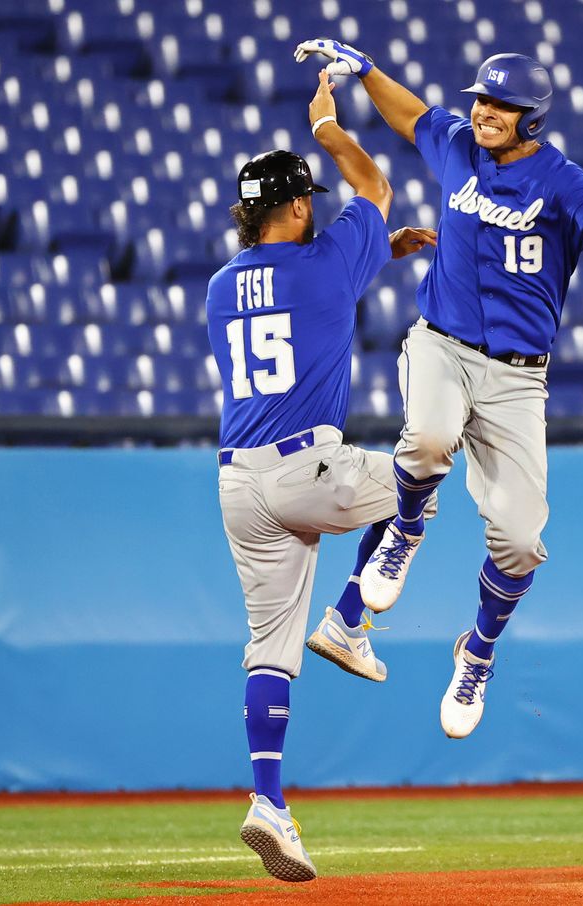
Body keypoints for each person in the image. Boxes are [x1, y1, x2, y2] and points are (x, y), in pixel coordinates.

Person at [294, 41, 583, 739]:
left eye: (501, 105)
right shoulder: (458, 145)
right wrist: (368, 71)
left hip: (515, 379)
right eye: (481, 98)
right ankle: (405, 530)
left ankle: (476, 653)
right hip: (441, 344)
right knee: (430, 438)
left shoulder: (563, 182)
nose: (484, 112)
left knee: (521, 540)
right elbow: (413, 116)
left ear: (533, 119)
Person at [206, 70, 438, 883]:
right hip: (309, 463)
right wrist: (331, 124)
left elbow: (296, 299)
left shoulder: (218, 288)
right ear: (299, 205)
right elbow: (374, 182)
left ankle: (268, 801)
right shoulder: (326, 258)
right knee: (423, 470)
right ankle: (346, 619)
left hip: (239, 481)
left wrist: (377, 250)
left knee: (268, 649)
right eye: (308, 198)